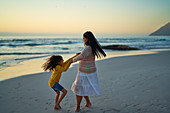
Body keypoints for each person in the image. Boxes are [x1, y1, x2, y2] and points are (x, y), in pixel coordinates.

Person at [70, 31, 106, 112]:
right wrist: (81, 53)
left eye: (83, 38)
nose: (83, 40)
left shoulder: (88, 48)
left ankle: (78, 107)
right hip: (89, 71)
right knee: (83, 88)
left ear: (87, 38)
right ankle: (88, 102)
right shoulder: (91, 47)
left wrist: (72, 60)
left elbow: (82, 56)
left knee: (78, 88)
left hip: (84, 72)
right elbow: (85, 54)